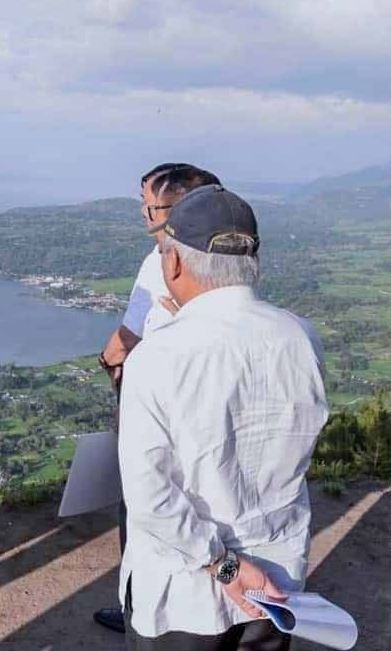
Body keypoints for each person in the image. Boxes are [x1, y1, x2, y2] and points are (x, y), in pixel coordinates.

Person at [118, 184, 330, 650]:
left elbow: (150, 497)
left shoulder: (158, 355)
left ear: (173, 263)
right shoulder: (302, 337)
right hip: (277, 579)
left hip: (185, 594)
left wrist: (226, 567)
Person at [93, 163, 221, 634]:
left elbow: (128, 336)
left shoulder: (164, 261)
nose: (145, 216)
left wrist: (108, 362)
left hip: (158, 402)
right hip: (201, 403)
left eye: (152, 207)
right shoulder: (224, 261)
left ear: (180, 207)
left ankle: (137, 608)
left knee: (145, 500)